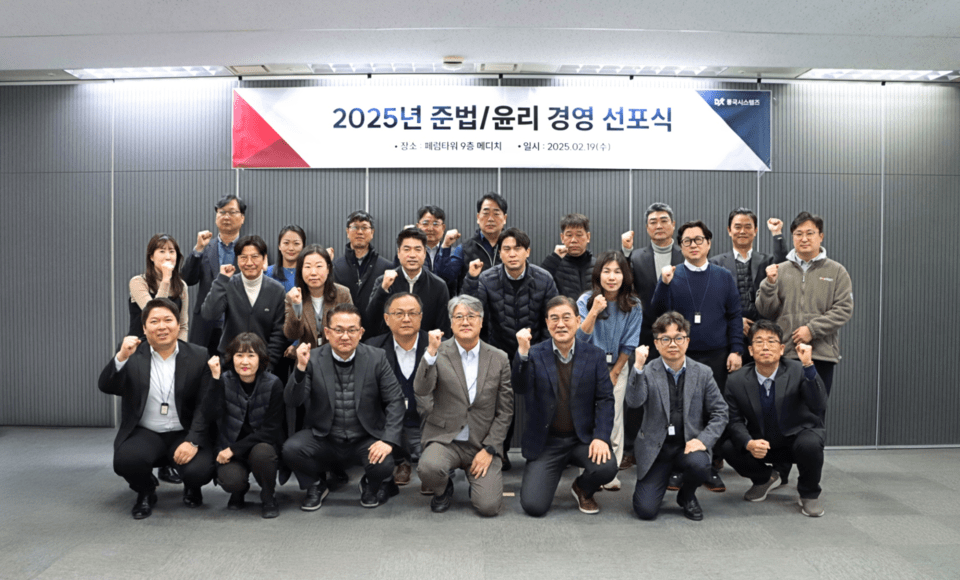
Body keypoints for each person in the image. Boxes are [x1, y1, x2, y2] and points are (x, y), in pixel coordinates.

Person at [98, 298, 215, 519]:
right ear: (144, 328)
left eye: (168, 320)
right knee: (126, 461)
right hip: (146, 432)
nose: (162, 326)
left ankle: (192, 486)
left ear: (178, 324)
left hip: (184, 431)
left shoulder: (199, 355)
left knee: (201, 470)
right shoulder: (132, 354)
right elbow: (106, 386)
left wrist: (192, 441)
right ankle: (145, 490)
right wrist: (121, 356)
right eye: (154, 321)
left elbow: (205, 405)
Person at [282, 304, 406, 510]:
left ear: (361, 333)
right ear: (328, 333)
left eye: (351, 330)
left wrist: (388, 440)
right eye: (339, 330)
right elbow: (292, 401)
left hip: (364, 437)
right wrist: (300, 368)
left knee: (384, 462)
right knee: (291, 450)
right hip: (325, 437)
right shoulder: (312, 359)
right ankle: (315, 484)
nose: (345, 336)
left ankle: (371, 484)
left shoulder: (377, 358)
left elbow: (395, 400)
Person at [652, 220, 742, 491]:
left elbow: (735, 315)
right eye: (687, 241)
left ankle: (711, 466)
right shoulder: (672, 275)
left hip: (717, 353)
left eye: (698, 239)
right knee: (681, 411)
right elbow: (656, 314)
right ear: (681, 247)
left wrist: (737, 349)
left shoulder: (723, 276)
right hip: (681, 356)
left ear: (709, 243)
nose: (693, 245)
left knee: (713, 410)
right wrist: (663, 284)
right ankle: (681, 466)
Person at [462, 227, 558, 468]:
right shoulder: (487, 278)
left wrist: (543, 350)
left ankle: (538, 455)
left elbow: (552, 317)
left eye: (518, 248)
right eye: (506, 249)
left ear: (528, 252)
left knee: (540, 402)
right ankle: (499, 452)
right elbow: (474, 313)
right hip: (498, 348)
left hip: (536, 349)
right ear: (500, 253)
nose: (512, 254)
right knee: (500, 404)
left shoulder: (544, 278)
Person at [513, 296, 617, 516]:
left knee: (607, 467)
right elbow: (519, 387)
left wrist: (601, 437)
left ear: (578, 321)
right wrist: (522, 352)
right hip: (547, 442)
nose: (560, 324)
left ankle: (582, 488)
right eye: (554, 319)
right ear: (547, 323)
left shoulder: (595, 355)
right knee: (534, 506)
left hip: (582, 439)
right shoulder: (534, 354)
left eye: (566, 317)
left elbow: (605, 399)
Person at [414, 295, 514, 516]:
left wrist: (490, 448)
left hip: (481, 442)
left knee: (488, 507)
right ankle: (442, 490)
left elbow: (505, 410)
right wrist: (429, 354)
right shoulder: (436, 352)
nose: (465, 322)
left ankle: (476, 482)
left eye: (471, 316)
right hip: (446, 438)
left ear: (481, 321)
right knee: (429, 467)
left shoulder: (499, 358)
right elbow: (421, 390)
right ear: (450, 323)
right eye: (459, 316)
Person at [626, 311, 728, 521]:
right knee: (645, 510)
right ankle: (660, 482)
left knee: (700, 463)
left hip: (688, 445)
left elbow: (721, 412)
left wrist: (702, 440)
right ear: (656, 343)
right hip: (656, 449)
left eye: (678, 338)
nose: (673, 343)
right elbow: (633, 402)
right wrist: (637, 367)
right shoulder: (647, 371)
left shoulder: (703, 372)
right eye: (665, 338)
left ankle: (687, 496)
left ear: (687, 341)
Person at [720, 320, 828, 517]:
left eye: (771, 341)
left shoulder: (798, 370)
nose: (766, 346)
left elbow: (818, 405)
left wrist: (809, 365)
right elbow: (734, 421)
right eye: (759, 342)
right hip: (762, 443)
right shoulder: (736, 380)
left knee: (810, 442)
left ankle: (809, 493)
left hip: (797, 439)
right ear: (750, 351)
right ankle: (765, 478)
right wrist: (749, 442)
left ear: (781, 349)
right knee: (728, 445)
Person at [756, 211, 853, 396]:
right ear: (792, 237)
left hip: (821, 355)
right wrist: (769, 284)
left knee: (815, 413)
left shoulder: (837, 271)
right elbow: (766, 311)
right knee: (783, 413)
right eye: (798, 234)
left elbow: (844, 309)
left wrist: (812, 330)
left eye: (810, 233)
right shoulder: (779, 270)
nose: (804, 238)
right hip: (785, 355)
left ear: (821, 236)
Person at [619, 202, 683, 470]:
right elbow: (621, 283)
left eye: (664, 220)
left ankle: (676, 447)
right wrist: (624, 252)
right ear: (647, 227)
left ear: (673, 225)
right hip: (643, 334)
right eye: (653, 221)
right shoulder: (636, 257)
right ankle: (631, 447)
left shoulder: (685, 256)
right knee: (636, 389)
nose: (659, 225)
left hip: (678, 336)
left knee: (675, 392)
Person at [575, 251, 643, 491]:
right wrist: (594, 310)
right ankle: (588, 467)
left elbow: (630, 343)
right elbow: (580, 340)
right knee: (587, 416)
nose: (612, 277)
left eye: (617, 272)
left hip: (617, 366)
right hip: (586, 368)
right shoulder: (585, 300)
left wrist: (615, 372)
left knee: (613, 417)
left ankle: (610, 470)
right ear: (598, 274)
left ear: (625, 275)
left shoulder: (633, 305)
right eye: (606, 271)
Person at [205, 333, 285, 518]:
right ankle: (239, 490)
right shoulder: (224, 380)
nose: (244, 361)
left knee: (263, 453)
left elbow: (271, 431)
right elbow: (210, 414)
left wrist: (233, 449)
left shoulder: (274, 384)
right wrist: (215, 379)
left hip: (259, 445)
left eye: (251, 355)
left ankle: (268, 496)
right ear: (231, 358)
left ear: (261, 358)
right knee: (231, 480)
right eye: (239, 355)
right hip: (230, 444)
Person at [366, 293, 429, 488]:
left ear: (421, 316)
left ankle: (430, 469)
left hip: (426, 424)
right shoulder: (372, 348)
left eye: (412, 313)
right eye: (399, 313)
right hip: (389, 426)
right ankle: (401, 462)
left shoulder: (437, 347)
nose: (406, 319)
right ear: (387, 318)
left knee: (433, 462)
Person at [200, 235, 286, 371]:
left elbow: (278, 333)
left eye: (255, 257)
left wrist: (268, 364)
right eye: (243, 257)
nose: (249, 262)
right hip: (229, 362)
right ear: (237, 260)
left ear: (264, 259)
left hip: (264, 365)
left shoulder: (277, 290)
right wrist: (221, 280)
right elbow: (209, 314)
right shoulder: (227, 284)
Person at [709, 209, 788, 344]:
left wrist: (776, 233)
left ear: (755, 230)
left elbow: (782, 263)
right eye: (738, 227)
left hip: (762, 332)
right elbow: (713, 301)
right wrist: (735, 321)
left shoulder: (767, 260)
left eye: (748, 227)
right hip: (729, 332)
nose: (742, 231)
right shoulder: (715, 263)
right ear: (729, 230)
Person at [182, 194, 246, 356]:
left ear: (242, 218)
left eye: (232, 212)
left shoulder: (250, 250)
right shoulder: (205, 247)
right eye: (221, 212)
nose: (226, 217)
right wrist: (197, 250)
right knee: (202, 372)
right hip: (205, 322)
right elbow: (188, 279)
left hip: (237, 322)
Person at [366, 227, 451, 337]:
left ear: (425, 253)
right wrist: (383, 289)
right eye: (407, 249)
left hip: (425, 348)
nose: (412, 255)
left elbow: (443, 330)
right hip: (390, 347)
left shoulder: (439, 286)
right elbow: (370, 320)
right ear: (398, 253)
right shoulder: (384, 281)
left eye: (417, 249)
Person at [331, 210, 393, 331]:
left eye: (364, 227)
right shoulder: (335, 267)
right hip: (344, 334)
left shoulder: (387, 267)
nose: (359, 232)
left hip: (377, 335)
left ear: (372, 232)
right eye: (355, 227)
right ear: (347, 232)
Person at [283, 245, 353, 349]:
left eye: (319, 266)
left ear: (328, 269)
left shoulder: (343, 293)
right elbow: (292, 335)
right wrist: (297, 306)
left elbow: (351, 328)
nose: (313, 272)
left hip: (337, 355)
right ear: (300, 270)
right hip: (308, 359)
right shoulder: (293, 296)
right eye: (307, 267)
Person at [436, 192, 508, 292]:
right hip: (473, 305)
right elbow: (445, 279)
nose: (490, 219)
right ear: (478, 218)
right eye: (486, 214)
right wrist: (446, 246)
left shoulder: (514, 247)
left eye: (496, 214)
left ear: (504, 218)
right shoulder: (464, 248)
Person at [128, 233, 189, 341]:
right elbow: (154, 312)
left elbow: (183, 326)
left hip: (170, 347)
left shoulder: (181, 285)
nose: (168, 257)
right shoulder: (138, 282)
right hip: (141, 345)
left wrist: (179, 350)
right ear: (151, 257)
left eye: (171, 251)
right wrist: (166, 280)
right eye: (162, 251)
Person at [541, 213, 595, 300]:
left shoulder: (598, 266)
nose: (573, 240)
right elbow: (538, 284)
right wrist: (554, 258)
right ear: (562, 238)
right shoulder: (554, 264)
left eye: (579, 235)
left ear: (588, 237)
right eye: (569, 235)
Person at [265, 225, 306, 293]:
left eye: (296, 243)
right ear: (279, 246)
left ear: (303, 246)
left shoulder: (308, 274)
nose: (291, 248)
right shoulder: (267, 273)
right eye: (286, 243)